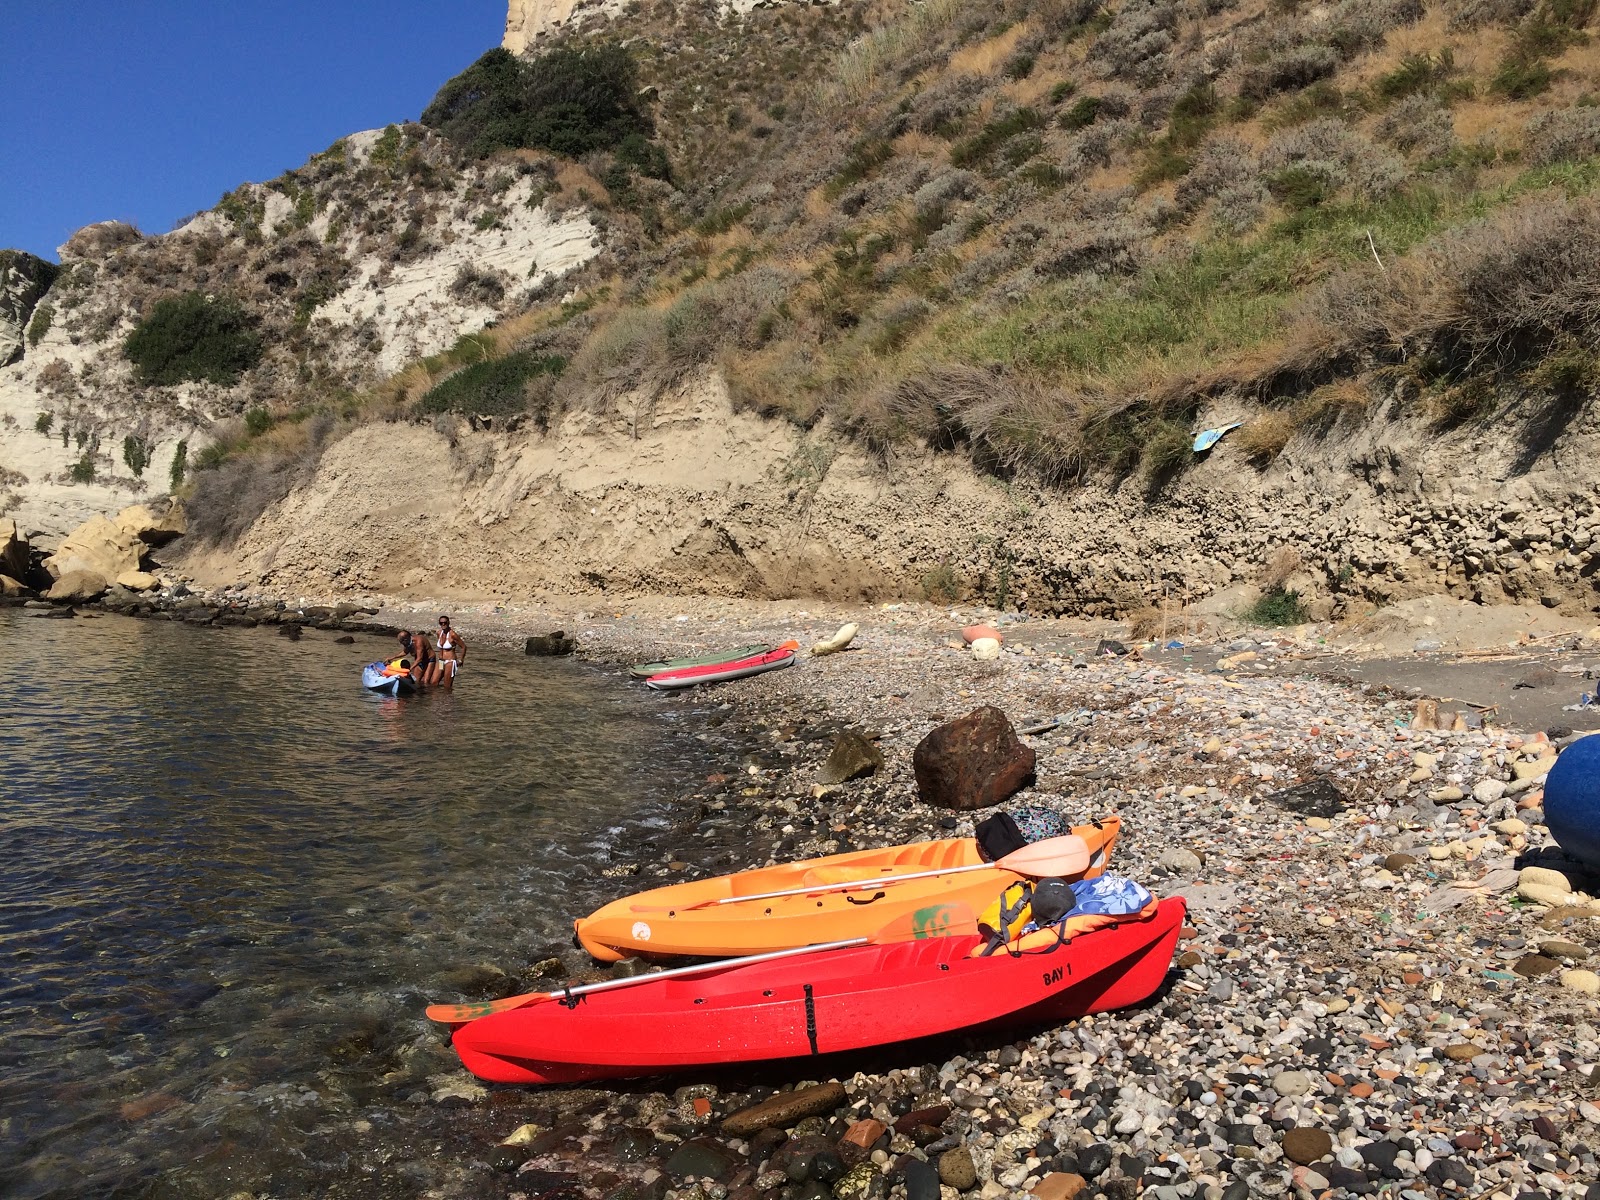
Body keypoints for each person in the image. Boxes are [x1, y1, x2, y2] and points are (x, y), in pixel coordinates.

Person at [431, 614, 465, 686]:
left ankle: (447, 697)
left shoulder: (453, 635)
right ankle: (437, 697)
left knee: (447, 685)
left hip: (450, 661)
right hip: (441, 661)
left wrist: (461, 659)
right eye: (441, 623)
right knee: (434, 682)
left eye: (445, 623)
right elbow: (441, 647)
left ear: (448, 623)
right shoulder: (439, 633)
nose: (443, 624)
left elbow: (463, 647)